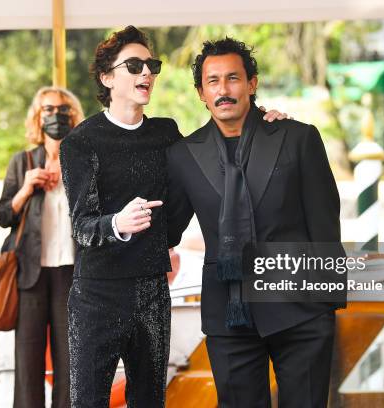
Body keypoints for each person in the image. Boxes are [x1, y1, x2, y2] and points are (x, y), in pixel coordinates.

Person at [61, 27, 285, 408]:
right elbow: (82, 226)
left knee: (150, 400)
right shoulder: (81, 143)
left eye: (152, 65)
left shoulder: (166, 134)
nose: (146, 73)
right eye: (134, 65)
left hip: (152, 289)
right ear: (107, 77)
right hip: (97, 293)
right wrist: (117, 223)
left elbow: (212, 150)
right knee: (88, 401)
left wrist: (260, 123)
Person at [165, 38, 344, 407]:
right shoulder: (183, 155)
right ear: (201, 92)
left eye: (233, 78)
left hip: (302, 311)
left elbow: (325, 223)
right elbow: (168, 228)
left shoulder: (297, 138)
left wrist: (326, 306)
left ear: (252, 83)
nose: (223, 89)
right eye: (213, 81)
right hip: (229, 316)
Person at [0, 86, 84, 408]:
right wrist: (26, 187)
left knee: (71, 363)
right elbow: (3, 216)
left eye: (62, 110)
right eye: (48, 110)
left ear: (73, 116)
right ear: (37, 116)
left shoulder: (85, 160)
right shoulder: (23, 161)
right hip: (30, 274)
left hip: (72, 274)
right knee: (28, 361)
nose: (55, 116)